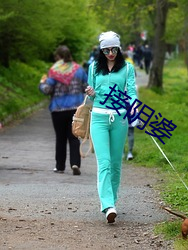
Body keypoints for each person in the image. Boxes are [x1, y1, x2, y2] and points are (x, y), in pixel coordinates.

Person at [85, 31, 137, 223]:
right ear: (101, 50)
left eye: (114, 49)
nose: (110, 53)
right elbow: (91, 97)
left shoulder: (127, 68)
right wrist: (90, 92)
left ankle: (112, 202)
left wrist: (133, 110)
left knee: (116, 164)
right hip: (98, 118)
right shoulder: (93, 68)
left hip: (120, 119)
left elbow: (131, 92)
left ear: (119, 48)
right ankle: (107, 204)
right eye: (106, 50)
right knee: (104, 163)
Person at [39, 45, 88, 175]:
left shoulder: (54, 71)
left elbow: (47, 90)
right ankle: (75, 163)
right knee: (74, 137)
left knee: (60, 138)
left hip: (58, 109)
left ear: (58, 57)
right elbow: (86, 87)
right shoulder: (79, 70)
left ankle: (60, 166)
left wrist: (42, 83)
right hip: (75, 109)